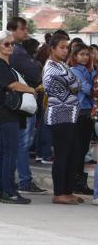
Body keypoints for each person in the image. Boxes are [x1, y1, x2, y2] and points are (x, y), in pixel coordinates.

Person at [0, 30, 37, 204]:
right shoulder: (0, 65)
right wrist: (31, 89)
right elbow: (11, 84)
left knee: (4, 153)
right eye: (6, 44)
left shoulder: (3, 64)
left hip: (5, 114)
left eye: (12, 44)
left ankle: (1, 189)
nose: (10, 47)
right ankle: (8, 191)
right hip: (6, 114)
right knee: (9, 153)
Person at [5, 17, 47, 195]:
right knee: (23, 142)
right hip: (24, 101)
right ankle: (24, 180)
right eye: (22, 29)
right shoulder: (18, 52)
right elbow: (35, 74)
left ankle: (15, 180)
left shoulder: (12, 52)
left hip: (14, 102)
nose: (26, 32)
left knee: (18, 142)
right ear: (12, 30)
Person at [43, 33, 82, 204]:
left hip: (69, 113)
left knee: (71, 153)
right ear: (52, 49)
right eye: (62, 47)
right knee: (62, 154)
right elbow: (74, 83)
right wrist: (73, 84)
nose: (66, 50)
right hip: (60, 114)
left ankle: (68, 190)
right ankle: (59, 192)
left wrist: (73, 84)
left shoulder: (61, 65)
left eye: (67, 47)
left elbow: (76, 84)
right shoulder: (52, 67)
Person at [68, 42, 95, 195]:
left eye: (87, 54)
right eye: (82, 54)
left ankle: (79, 181)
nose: (85, 57)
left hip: (88, 112)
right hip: (79, 112)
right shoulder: (74, 71)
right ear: (75, 56)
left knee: (83, 149)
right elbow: (88, 89)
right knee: (78, 149)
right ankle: (76, 181)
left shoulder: (89, 70)